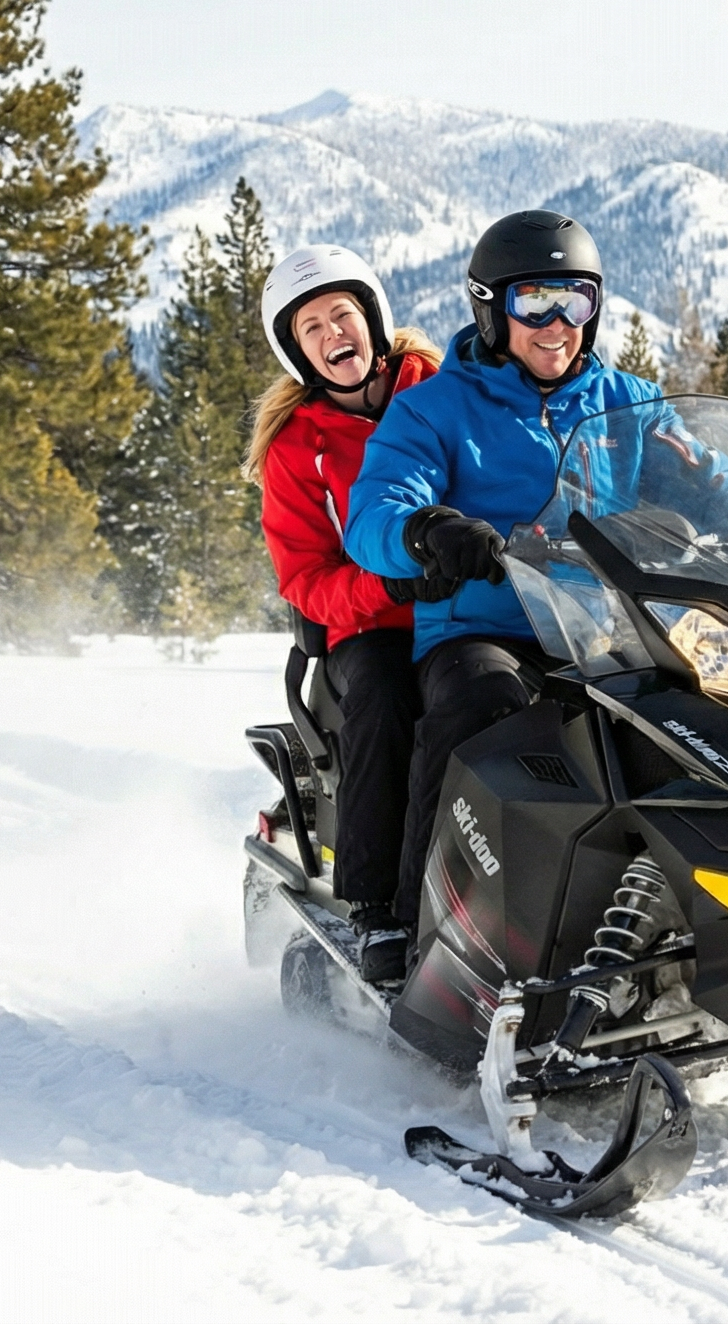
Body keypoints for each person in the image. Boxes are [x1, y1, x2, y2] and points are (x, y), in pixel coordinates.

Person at [342, 210, 667, 938]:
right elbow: (374, 515)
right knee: (480, 703)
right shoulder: (431, 411)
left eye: (574, 301)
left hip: (616, 629)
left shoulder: (633, 404)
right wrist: (425, 530)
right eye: (534, 303)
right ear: (491, 311)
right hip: (488, 627)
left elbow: (714, 473)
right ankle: (414, 921)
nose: (557, 324)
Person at [248, 244, 450, 983]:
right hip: (372, 630)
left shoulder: (439, 388)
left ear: (372, 318)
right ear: (298, 351)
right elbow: (305, 577)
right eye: (312, 327)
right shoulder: (296, 446)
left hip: (472, 609)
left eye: (342, 314)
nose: (334, 333)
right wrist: (388, 592)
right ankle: (377, 910)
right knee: (389, 699)